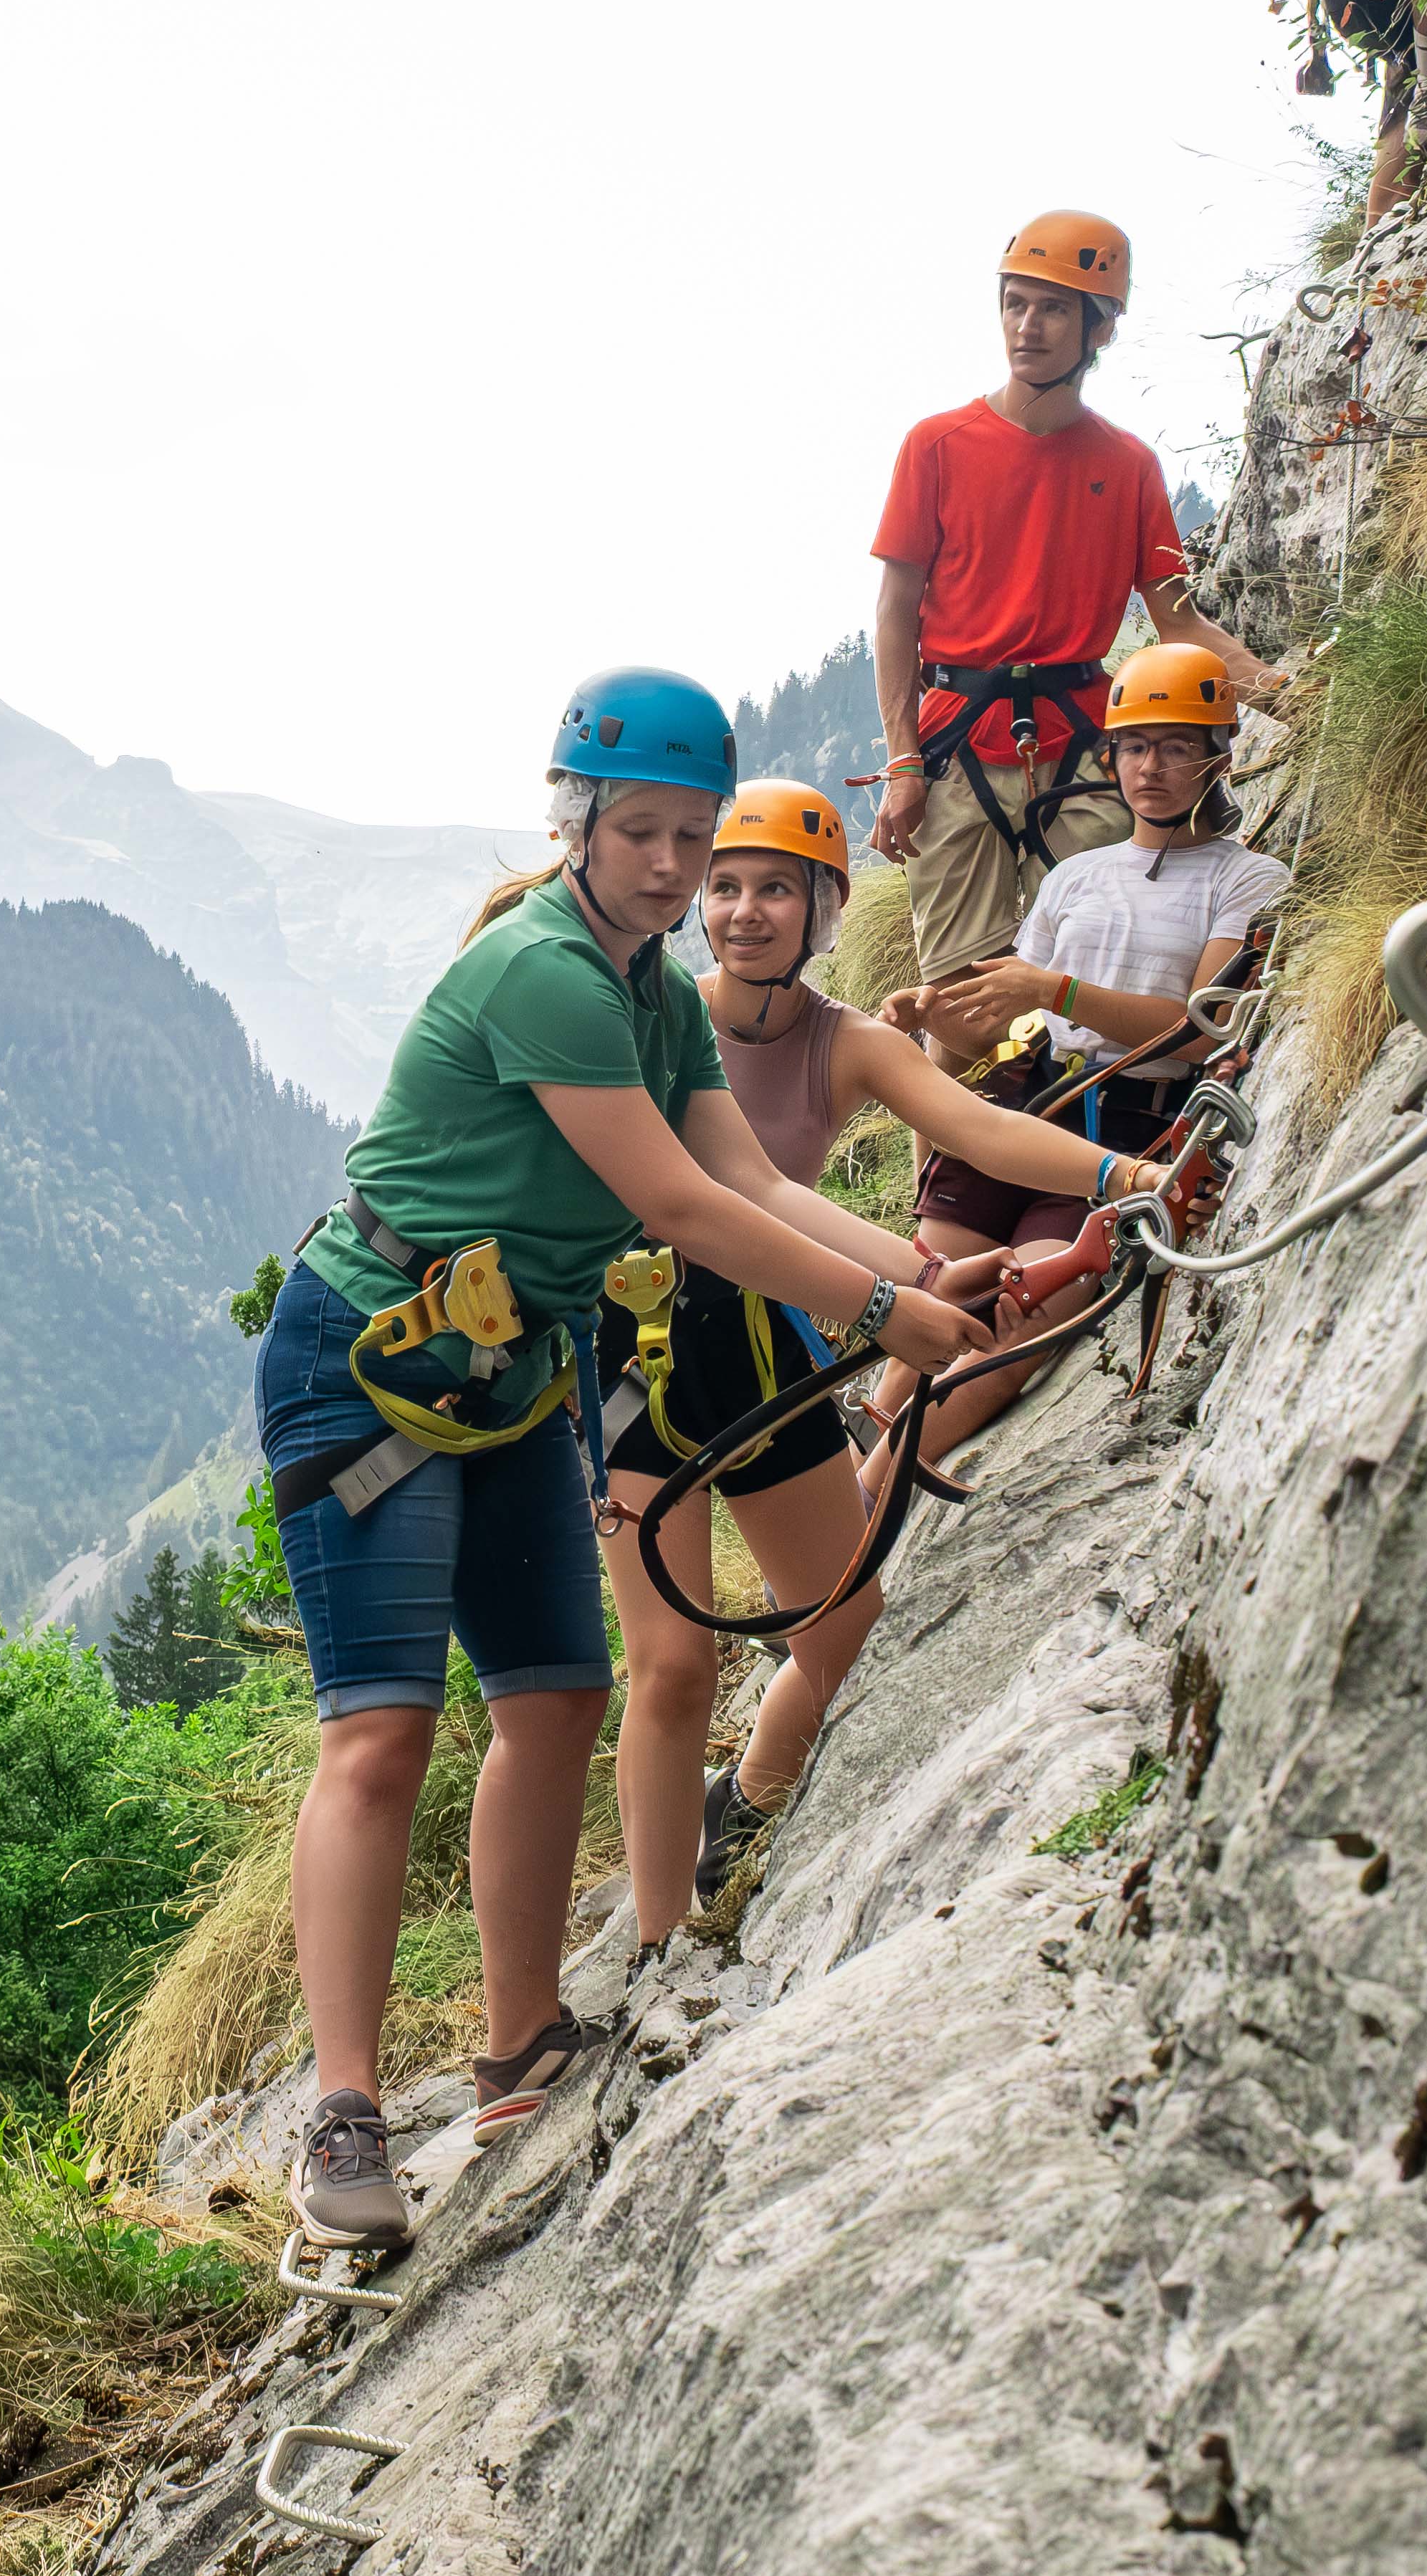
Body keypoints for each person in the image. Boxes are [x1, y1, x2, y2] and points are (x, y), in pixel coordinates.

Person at [259, 674, 994, 2257]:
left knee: (560, 1695)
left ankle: (522, 2039)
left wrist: (927, 1287)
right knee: (381, 1737)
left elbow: (748, 1174)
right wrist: (886, 1310)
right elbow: (674, 1205)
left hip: (509, 1370)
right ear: (577, 826)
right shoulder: (546, 976)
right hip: (367, 1360)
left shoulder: (656, 997)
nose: (673, 867)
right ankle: (344, 2112)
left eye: (693, 836)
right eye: (645, 834)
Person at [591, 780, 1182, 1940]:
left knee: (840, 1627)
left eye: (777, 890)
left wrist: (1120, 1180)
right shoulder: (650, 1018)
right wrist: (896, 1291)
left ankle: (741, 1816)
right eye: (726, 889)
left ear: (825, 908)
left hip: (769, 1338)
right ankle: (655, 1939)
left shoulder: (846, 1043)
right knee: (667, 1665)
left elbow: (985, 1132)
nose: (748, 912)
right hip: (636, 1338)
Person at [866, 643, 1284, 1480]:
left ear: (1221, 755)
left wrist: (1058, 991)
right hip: (1035, 1101)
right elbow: (1005, 1021)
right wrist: (929, 1018)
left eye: (1177, 745)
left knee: (1015, 1325)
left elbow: (1200, 1030)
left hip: (1130, 1122)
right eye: (1134, 746)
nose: (1151, 767)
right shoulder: (1075, 877)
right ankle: (850, 1483)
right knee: (930, 1293)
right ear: (1110, 755)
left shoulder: (1248, 879)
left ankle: (867, 1487)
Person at [866, 211, 1277, 1049]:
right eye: (1016, 304)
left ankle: (1088, 1161)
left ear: (1100, 327)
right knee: (958, 1007)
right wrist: (902, 761)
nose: (1028, 326)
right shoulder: (937, 445)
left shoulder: (1128, 465)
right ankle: (943, 1183)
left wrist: (1285, 694)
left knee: (1108, 977)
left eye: (1053, 309)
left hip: (1086, 745)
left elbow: (1177, 617)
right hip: (957, 744)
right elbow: (895, 611)